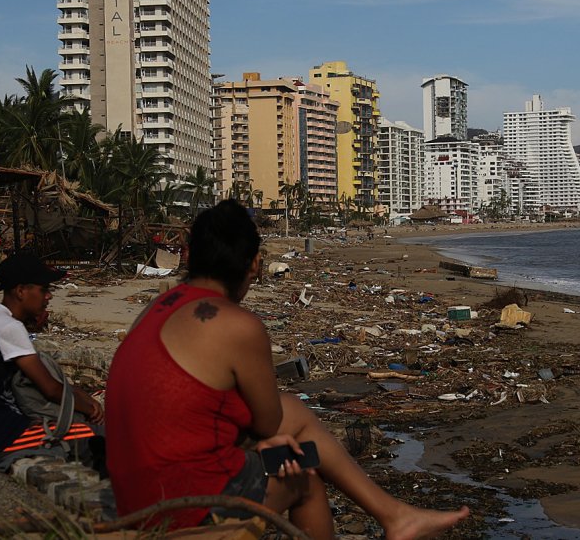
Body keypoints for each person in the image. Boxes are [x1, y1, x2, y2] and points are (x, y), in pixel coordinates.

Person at [106, 200, 468, 539]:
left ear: (190, 256)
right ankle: (395, 517)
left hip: (134, 495)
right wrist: (265, 444)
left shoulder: (156, 309)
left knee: (293, 413)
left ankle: (394, 515)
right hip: (178, 511)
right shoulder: (236, 324)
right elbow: (266, 424)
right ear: (254, 264)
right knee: (304, 478)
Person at [0, 251, 105, 471]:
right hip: (5, 437)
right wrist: (91, 408)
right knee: (102, 435)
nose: (49, 296)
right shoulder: (10, 328)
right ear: (20, 291)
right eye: (44, 289)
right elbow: (51, 389)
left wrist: (80, 395)